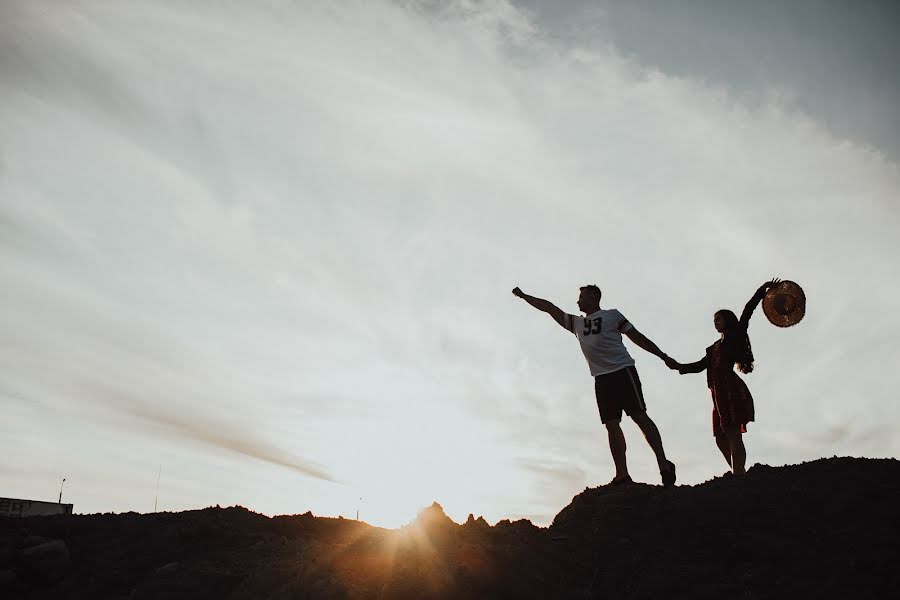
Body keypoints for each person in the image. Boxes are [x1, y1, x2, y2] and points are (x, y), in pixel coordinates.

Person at [512, 285, 676, 487]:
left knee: (639, 417)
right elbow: (550, 308)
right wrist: (524, 296)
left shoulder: (612, 316)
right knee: (611, 424)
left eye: (581, 297)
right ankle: (622, 474)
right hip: (602, 379)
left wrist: (663, 356)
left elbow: (638, 338)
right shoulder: (576, 323)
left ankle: (664, 465)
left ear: (594, 296)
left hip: (623, 371)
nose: (578, 301)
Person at [670, 278, 780, 476]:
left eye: (718, 320)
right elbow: (701, 365)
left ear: (727, 320)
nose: (715, 324)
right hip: (717, 392)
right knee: (720, 436)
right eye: (714, 321)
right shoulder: (714, 347)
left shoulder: (736, 334)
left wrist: (762, 290)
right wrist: (679, 367)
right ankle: (737, 470)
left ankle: (739, 472)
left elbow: (748, 311)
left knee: (733, 433)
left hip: (730, 388)